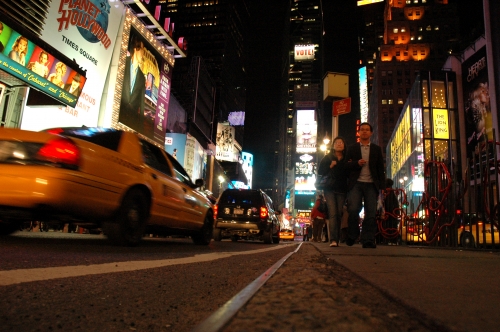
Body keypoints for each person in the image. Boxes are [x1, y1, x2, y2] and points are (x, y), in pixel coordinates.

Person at [345, 122, 385, 248]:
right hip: (356, 183)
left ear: (371, 133)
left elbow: (380, 169)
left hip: (371, 184)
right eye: (362, 130)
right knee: (353, 210)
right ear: (359, 132)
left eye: (367, 130)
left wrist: (382, 187)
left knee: (371, 212)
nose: (364, 132)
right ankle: (352, 234)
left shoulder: (376, 149)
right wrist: (356, 163)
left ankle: (368, 239)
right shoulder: (352, 148)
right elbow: (345, 165)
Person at [317, 136, 349, 247]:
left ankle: (337, 238)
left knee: (339, 213)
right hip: (329, 189)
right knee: (333, 213)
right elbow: (320, 172)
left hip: (342, 189)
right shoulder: (327, 158)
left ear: (344, 145)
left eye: (341, 142)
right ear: (333, 145)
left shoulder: (347, 158)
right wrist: (330, 166)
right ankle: (333, 240)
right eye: (336, 142)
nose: (339, 144)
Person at [119, 34, 146, 133]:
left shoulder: (142, 78)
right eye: (142, 49)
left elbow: (142, 106)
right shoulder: (122, 64)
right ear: (136, 48)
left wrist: (140, 129)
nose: (143, 53)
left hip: (130, 123)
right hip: (117, 114)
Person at [384, 178, 399, 245]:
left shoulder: (386, 192)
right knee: (392, 227)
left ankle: (386, 239)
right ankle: (393, 240)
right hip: (392, 213)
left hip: (388, 213)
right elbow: (395, 204)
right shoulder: (391, 192)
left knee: (386, 226)